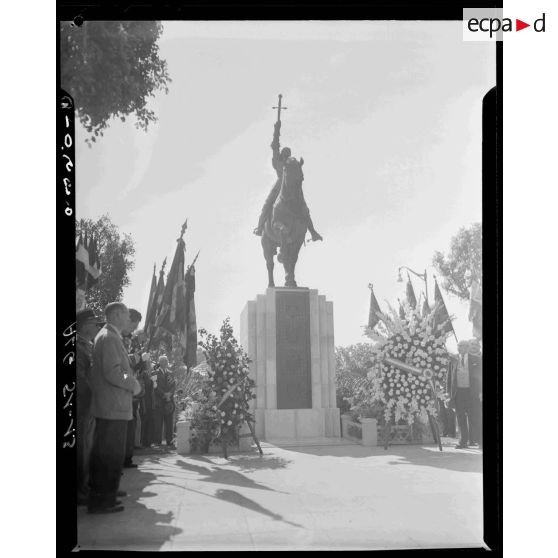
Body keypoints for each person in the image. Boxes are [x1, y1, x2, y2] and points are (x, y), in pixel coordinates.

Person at [88, 302, 141, 514]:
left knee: (109, 455)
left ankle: (106, 494)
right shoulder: (109, 337)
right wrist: (134, 384)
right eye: (127, 315)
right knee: (109, 455)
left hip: (112, 406)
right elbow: (114, 372)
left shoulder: (109, 336)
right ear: (117, 314)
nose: (129, 319)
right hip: (112, 407)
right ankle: (102, 499)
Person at [253, 119, 322, 246]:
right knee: (267, 205)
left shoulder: (291, 165)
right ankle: (260, 227)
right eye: (285, 154)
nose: (286, 156)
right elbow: (275, 146)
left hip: (292, 188)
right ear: (282, 155)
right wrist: (276, 130)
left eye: (287, 154)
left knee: (304, 209)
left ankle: (313, 232)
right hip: (279, 185)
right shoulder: (278, 163)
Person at [76, 308, 103, 506]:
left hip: (90, 405)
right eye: (94, 324)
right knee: (82, 449)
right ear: (84, 325)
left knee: (88, 447)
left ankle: (85, 486)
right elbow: (81, 379)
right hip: (83, 405)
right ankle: (80, 490)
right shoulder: (78, 346)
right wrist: (95, 399)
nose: (97, 328)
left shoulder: (89, 346)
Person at [447, 340, 480, 449]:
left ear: (466, 348)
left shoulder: (476, 359)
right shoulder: (453, 360)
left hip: (471, 392)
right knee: (460, 418)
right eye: (458, 346)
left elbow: (480, 377)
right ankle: (463, 441)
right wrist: (448, 394)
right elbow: (449, 378)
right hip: (458, 393)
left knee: (474, 417)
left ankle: (477, 441)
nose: (459, 348)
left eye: (461, 346)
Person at [123, 309, 144, 468]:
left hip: (129, 392)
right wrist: (130, 381)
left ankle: (126, 457)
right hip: (121, 391)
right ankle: (122, 459)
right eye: (134, 325)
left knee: (130, 427)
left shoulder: (128, 340)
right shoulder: (114, 338)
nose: (133, 330)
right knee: (123, 430)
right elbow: (118, 371)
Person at [153, 355, 177, 450]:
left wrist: (170, 394)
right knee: (159, 422)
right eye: (164, 361)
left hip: (169, 402)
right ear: (160, 362)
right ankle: (158, 441)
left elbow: (173, 385)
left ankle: (169, 441)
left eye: (166, 361)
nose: (166, 363)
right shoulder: (154, 373)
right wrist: (164, 394)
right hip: (159, 401)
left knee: (169, 422)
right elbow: (155, 387)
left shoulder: (171, 373)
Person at [467, 338, 483, 448]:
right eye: (472, 344)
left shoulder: (481, 357)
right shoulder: (465, 358)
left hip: (480, 392)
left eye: (476, 344)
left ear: (479, 346)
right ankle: (471, 439)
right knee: (471, 416)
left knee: (479, 416)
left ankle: (480, 441)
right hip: (467, 392)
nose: (474, 346)